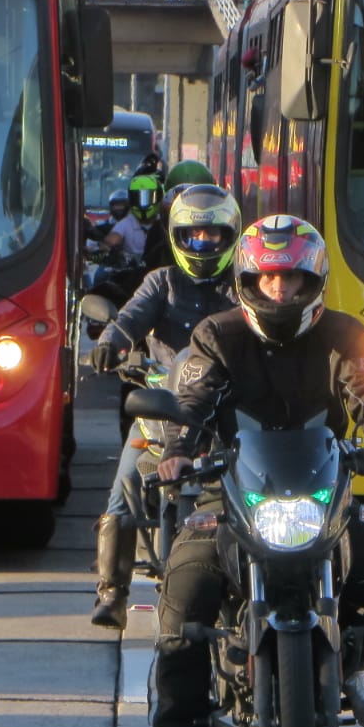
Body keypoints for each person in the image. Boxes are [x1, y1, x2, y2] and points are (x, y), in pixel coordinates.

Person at [122, 214, 364, 727]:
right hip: (230, 487)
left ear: (314, 282)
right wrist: (178, 450)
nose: (279, 290)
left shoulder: (345, 334)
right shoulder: (218, 333)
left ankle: (356, 668)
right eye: (267, 279)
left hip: (322, 487)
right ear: (247, 280)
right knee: (184, 596)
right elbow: (194, 397)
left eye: (292, 279)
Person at [86, 184, 242, 628]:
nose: (204, 243)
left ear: (231, 237)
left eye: (214, 235)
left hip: (217, 409)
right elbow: (131, 317)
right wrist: (112, 343)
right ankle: (112, 593)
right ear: (177, 236)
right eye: (194, 235)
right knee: (123, 491)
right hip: (160, 407)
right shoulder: (162, 281)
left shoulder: (241, 289)